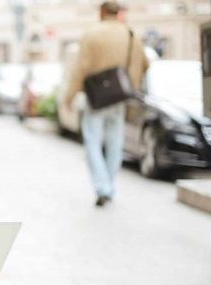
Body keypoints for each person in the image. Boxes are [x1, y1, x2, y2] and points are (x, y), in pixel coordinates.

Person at [62, 1, 149, 207]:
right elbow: (145, 64)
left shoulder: (92, 34)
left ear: (102, 12)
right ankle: (109, 185)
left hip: (97, 98)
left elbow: (80, 69)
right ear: (118, 12)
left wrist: (69, 97)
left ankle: (102, 187)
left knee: (92, 141)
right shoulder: (130, 35)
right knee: (115, 143)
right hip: (119, 97)